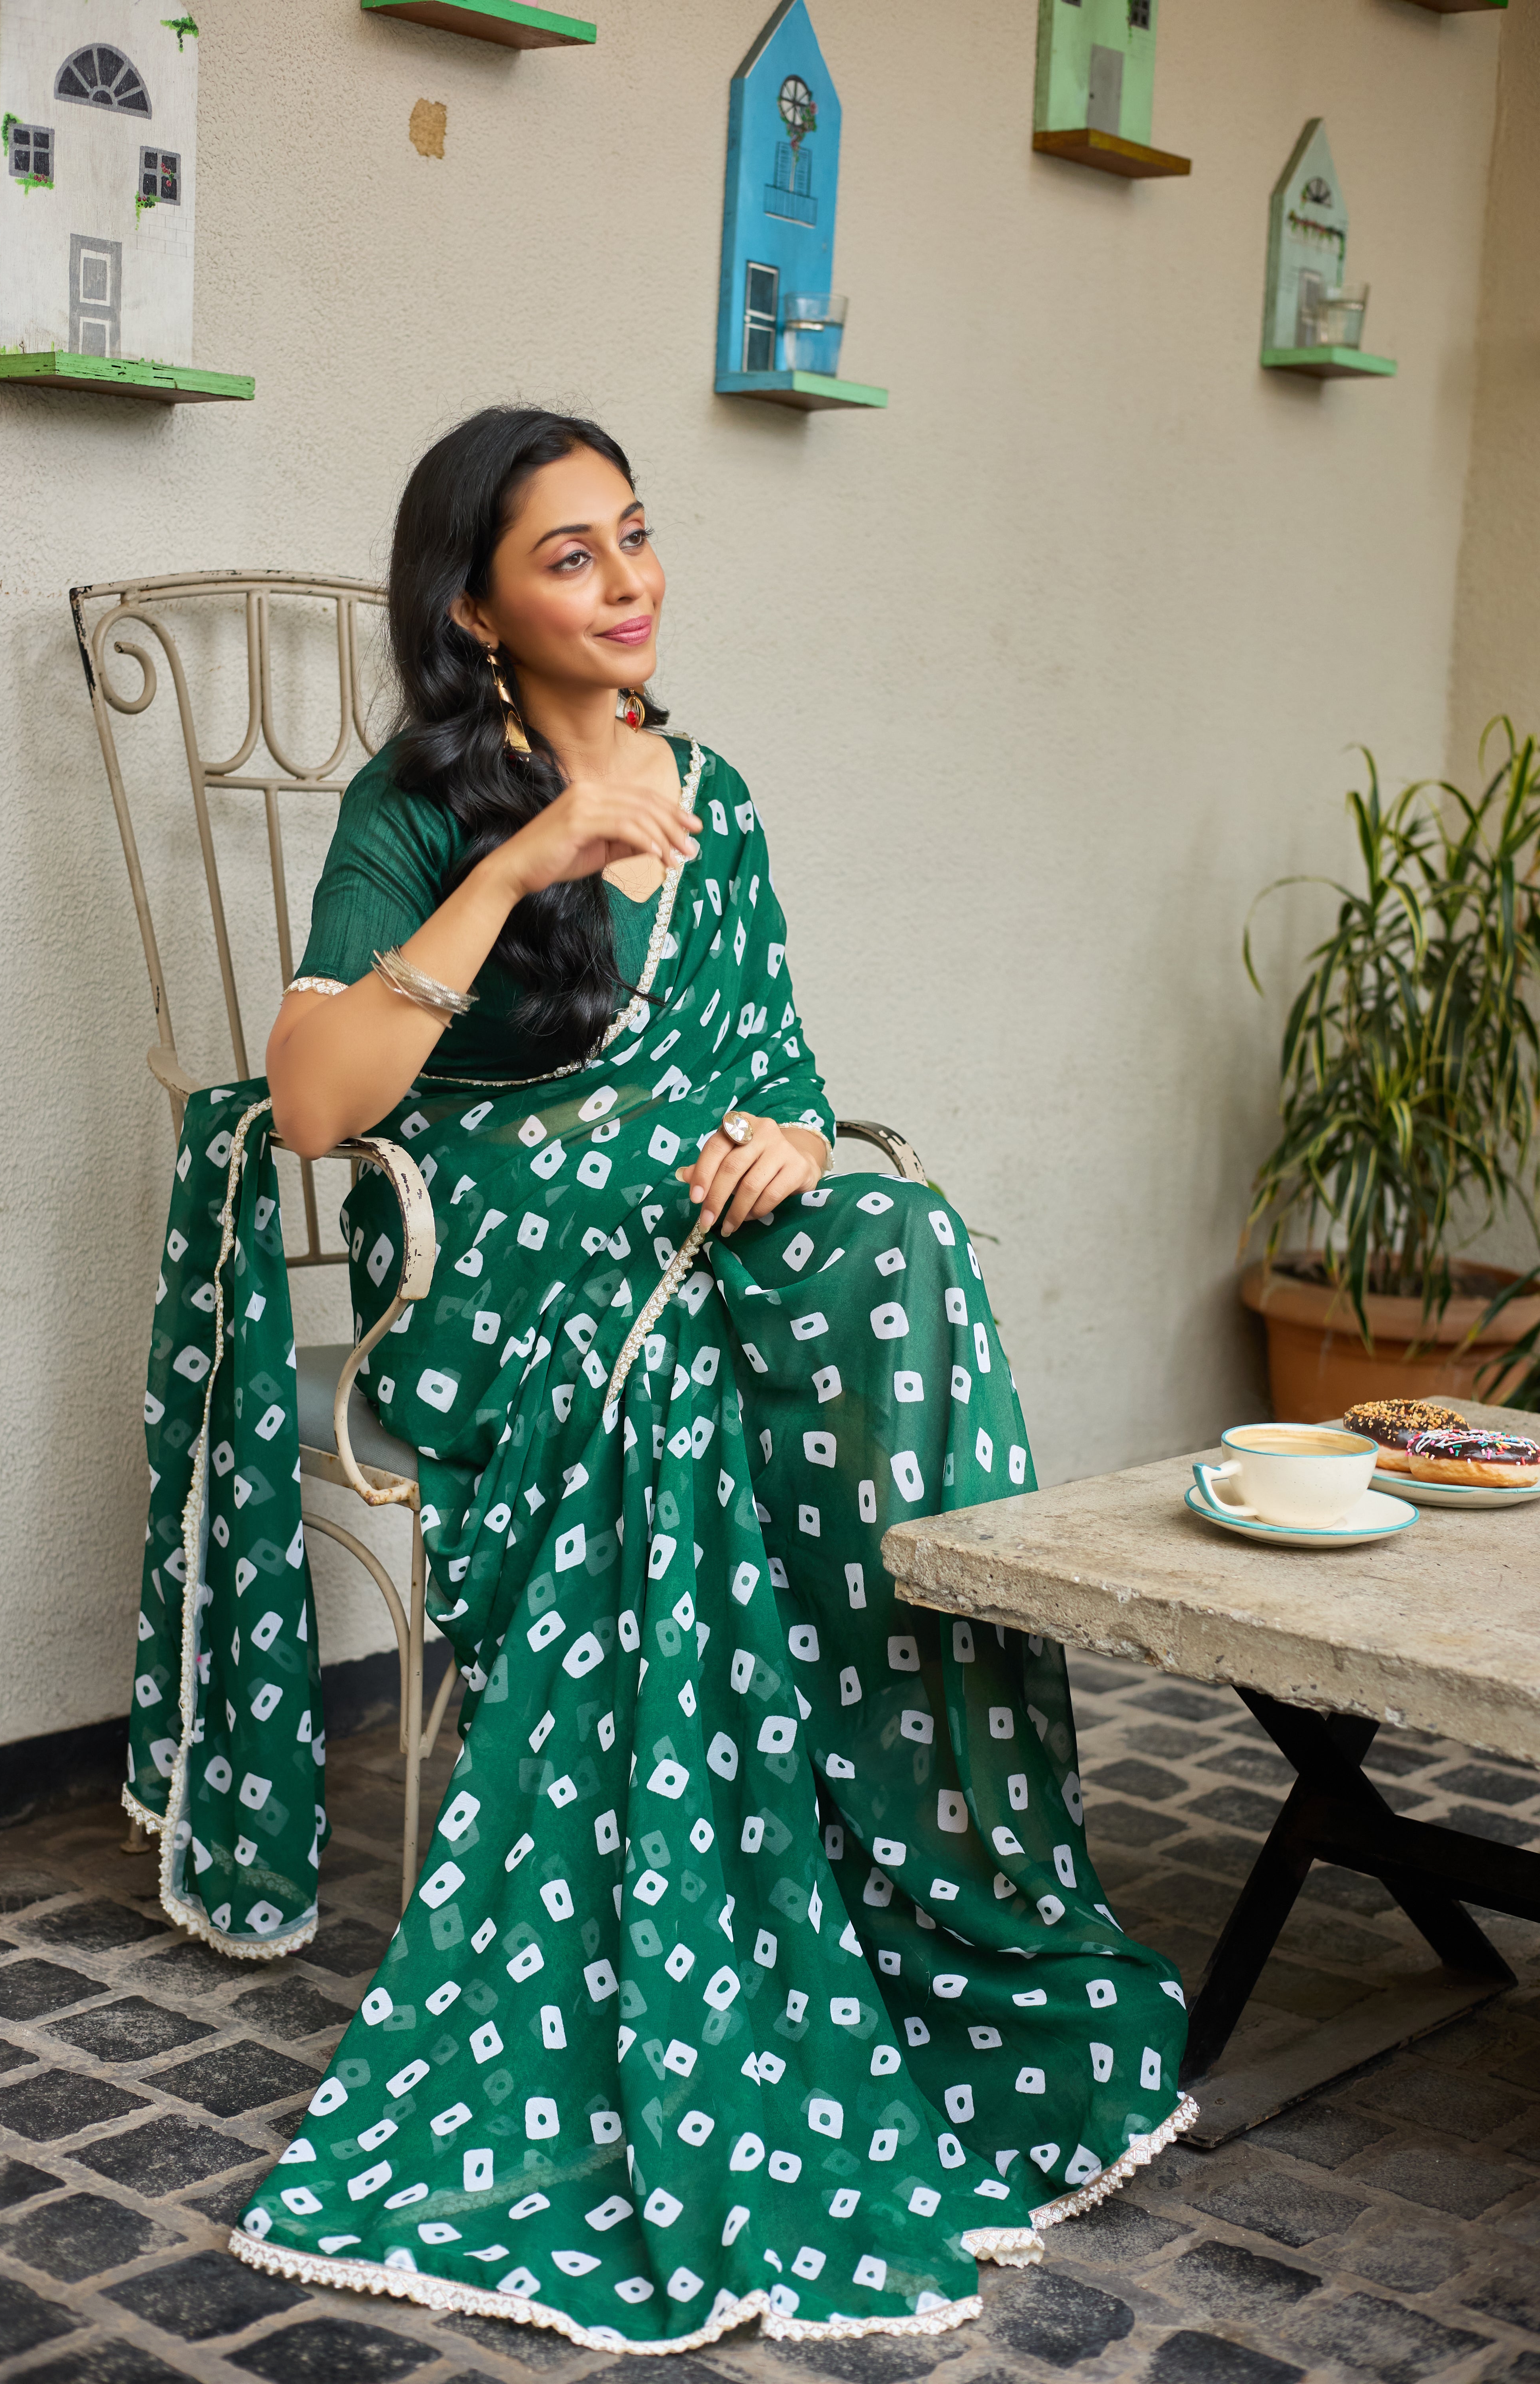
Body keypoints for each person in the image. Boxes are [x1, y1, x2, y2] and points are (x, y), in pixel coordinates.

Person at [129, 407, 1193, 2354]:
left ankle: (906, 1866)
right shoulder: (416, 808)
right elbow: (313, 1104)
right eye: (573, 556)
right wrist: (530, 846)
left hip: (689, 1226)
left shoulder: (724, 790)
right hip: (494, 1267)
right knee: (688, 1378)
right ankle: (720, 1901)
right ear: (474, 604)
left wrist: (786, 1143)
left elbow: (768, 1065)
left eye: (638, 538)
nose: (630, 586)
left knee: (900, 1247)